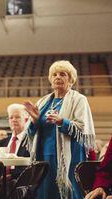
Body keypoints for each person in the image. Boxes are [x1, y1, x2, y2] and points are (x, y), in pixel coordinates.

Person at [24, 60, 96, 199]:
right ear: (51, 80)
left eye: (62, 74)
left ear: (70, 79)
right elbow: (31, 132)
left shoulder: (79, 99)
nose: (57, 77)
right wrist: (34, 121)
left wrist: (62, 121)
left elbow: (83, 129)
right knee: (46, 192)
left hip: (69, 156)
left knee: (68, 192)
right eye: (54, 74)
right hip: (43, 155)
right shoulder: (43, 101)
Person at [0, 103, 30, 179]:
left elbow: (30, 168)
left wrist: (11, 176)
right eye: (11, 117)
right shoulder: (0, 143)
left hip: (21, 184)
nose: (14, 120)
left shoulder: (31, 142)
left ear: (26, 120)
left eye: (17, 117)